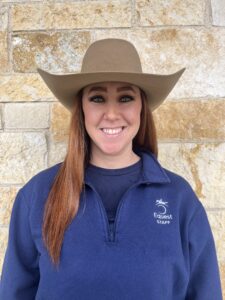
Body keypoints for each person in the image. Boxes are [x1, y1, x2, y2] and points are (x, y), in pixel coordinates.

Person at [0, 38, 222, 300]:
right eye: (97, 98)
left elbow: (205, 292)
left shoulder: (179, 200)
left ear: (142, 107)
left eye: (126, 97)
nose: (112, 114)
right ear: (81, 108)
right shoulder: (37, 195)